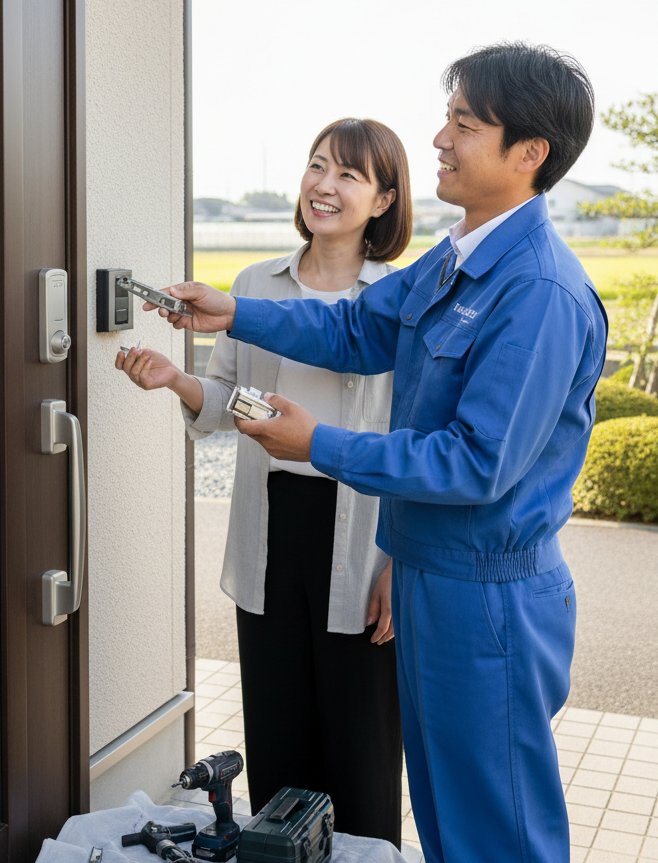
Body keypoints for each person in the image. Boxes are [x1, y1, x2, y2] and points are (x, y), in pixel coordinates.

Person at [151, 42, 608, 863]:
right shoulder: (462, 258)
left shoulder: (536, 289)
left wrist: (317, 443)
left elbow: (476, 463)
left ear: (528, 154)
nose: (440, 137)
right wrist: (235, 314)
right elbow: (358, 329)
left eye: (465, 124)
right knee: (445, 823)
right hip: (431, 572)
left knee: (495, 834)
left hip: (485, 598)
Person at [116, 118, 413, 846]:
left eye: (349, 174)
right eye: (318, 166)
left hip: (365, 541)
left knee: (362, 752)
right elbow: (230, 405)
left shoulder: (404, 299)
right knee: (279, 740)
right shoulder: (254, 286)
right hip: (271, 530)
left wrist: (401, 564)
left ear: (383, 200)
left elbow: (418, 443)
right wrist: (178, 380)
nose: (325, 185)